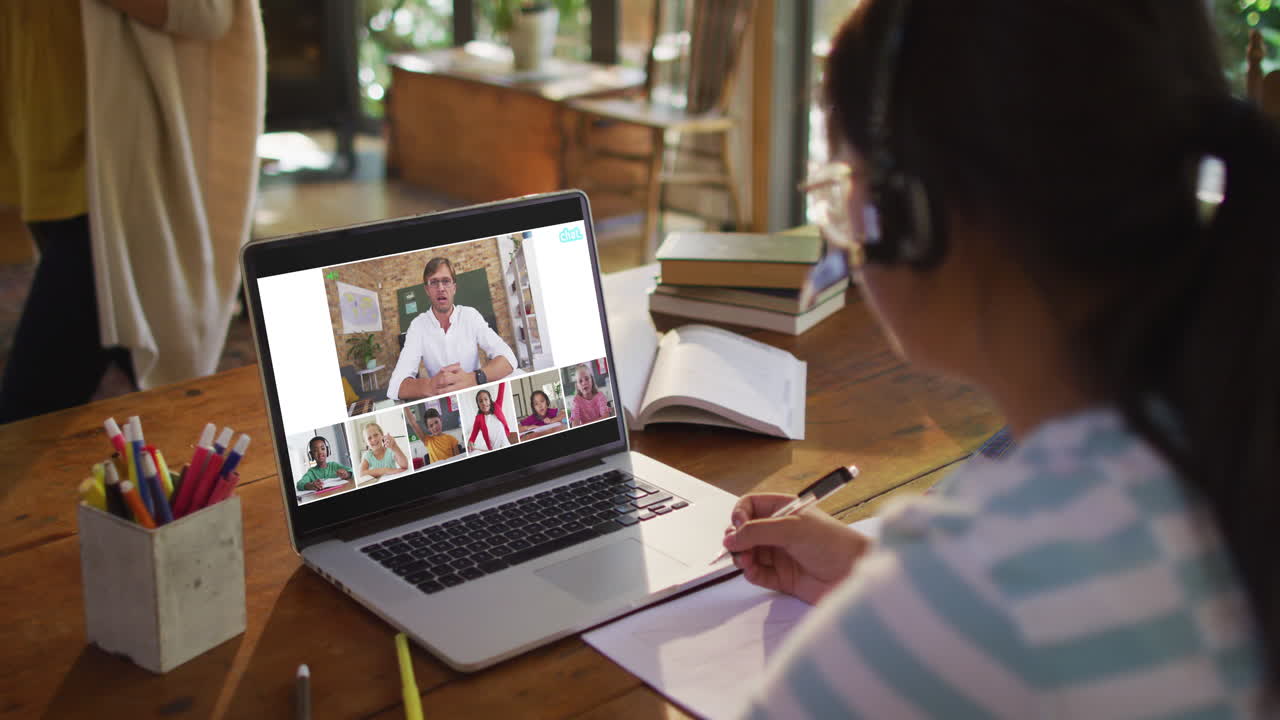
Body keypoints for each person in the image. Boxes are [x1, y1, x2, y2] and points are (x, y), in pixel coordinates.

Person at [721, 2, 1276, 716]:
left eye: (843, 185)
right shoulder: (1225, 437)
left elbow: (1011, 607)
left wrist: (917, 611)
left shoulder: (983, 587)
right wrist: (879, 578)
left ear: (915, 211)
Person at [0, 0, 264, 423]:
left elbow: (208, 11)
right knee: (137, 379)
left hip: (116, 184)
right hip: (47, 162)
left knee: (27, 410)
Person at [386, 257, 518, 402]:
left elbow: (509, 359)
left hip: (474, 394)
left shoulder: (470, 316)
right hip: (442, 401)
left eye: (446, 281)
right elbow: (395, 387)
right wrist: (430, 386)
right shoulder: (417, 326)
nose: (441, 288)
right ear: (427, 290)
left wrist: (473, 378)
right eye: (434, 282)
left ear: (454, 288)